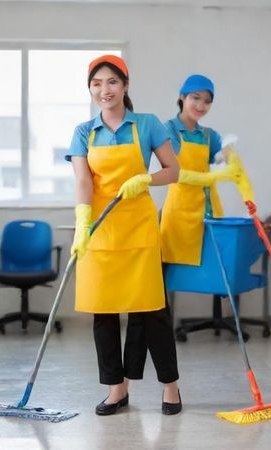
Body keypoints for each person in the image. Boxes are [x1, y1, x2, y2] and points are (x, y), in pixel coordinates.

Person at [67, 55, 183, 416]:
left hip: (139, 226)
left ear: (126, 86)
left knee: (151, 310)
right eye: (97, 83)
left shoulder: (146, 124)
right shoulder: (84, 131)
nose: (105, 90)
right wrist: (83, 222)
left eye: (112, 82)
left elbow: (173, 171)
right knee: (103, 313)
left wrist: (146, 179)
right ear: (90, 89)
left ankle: (170, 386)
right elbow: (84, 180)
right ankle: (116, 389)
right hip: (101, 231)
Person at [160, 74, 238, 266]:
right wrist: (214, 175)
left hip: (209, 212)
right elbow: (174, 171)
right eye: (195, 98)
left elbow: (226, 163)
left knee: (214, 269)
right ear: (182, 97)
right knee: (168, 271)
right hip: (179, 213)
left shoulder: (209, 136)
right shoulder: (168, 130)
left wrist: (228, 154)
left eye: (207, 101)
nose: (201, 106)